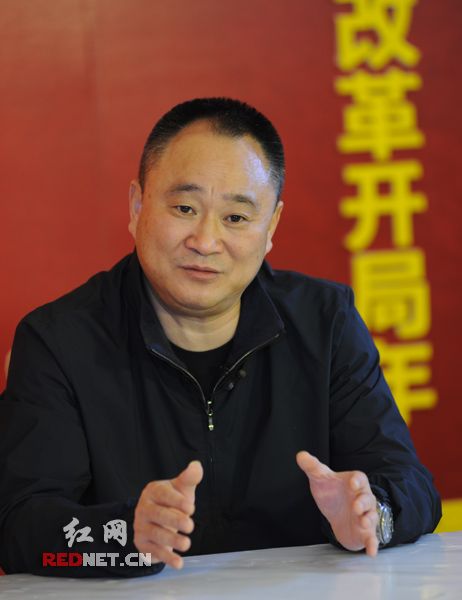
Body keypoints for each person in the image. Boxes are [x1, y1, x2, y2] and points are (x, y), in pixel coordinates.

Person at [0, 98, 441, 578]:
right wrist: (126, 534)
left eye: (236, 218)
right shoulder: (58, 342)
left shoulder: (325, 323)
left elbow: (411, 485)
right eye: (184, 208)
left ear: (270, 227)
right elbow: (19, 529)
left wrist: (371, 515)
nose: (205, 241)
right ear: (137, 206)